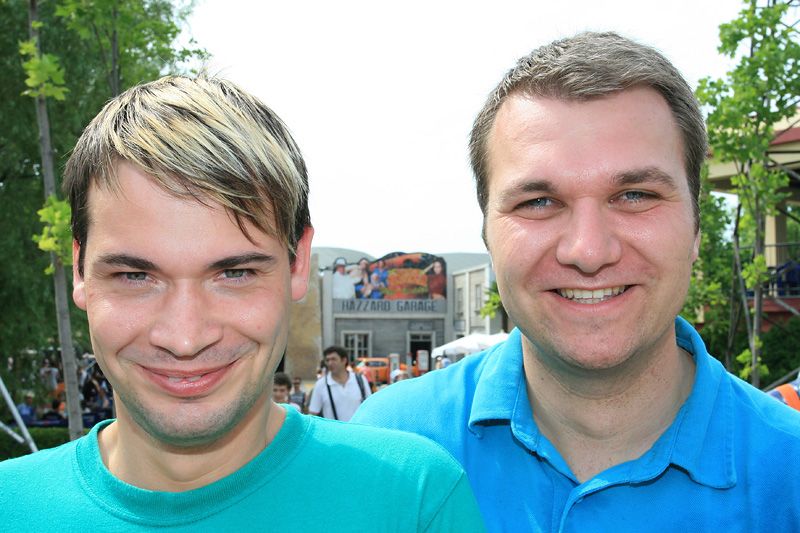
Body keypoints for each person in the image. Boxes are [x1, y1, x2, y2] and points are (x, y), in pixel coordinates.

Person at [353, 32, 800, 530]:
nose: (588, 251)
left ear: (696, 227)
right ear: (486, 235)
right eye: (539, 202)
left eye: (635, 195)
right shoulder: (386, 450)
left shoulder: (790, 474)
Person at [0, 74, 484, 531]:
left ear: (298, 264)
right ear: (79, 269)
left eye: (235, 274)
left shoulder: (411, 500)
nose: (185, 338)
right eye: (135, 276)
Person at [309, 346, 370, 421]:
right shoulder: (321, 384)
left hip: (358, 427)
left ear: (344, 360)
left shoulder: (360, 380)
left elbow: (370, 406)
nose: (330, 363)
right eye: (327, 360)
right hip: (333, 428)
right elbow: (313, 414)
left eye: (333, 359)